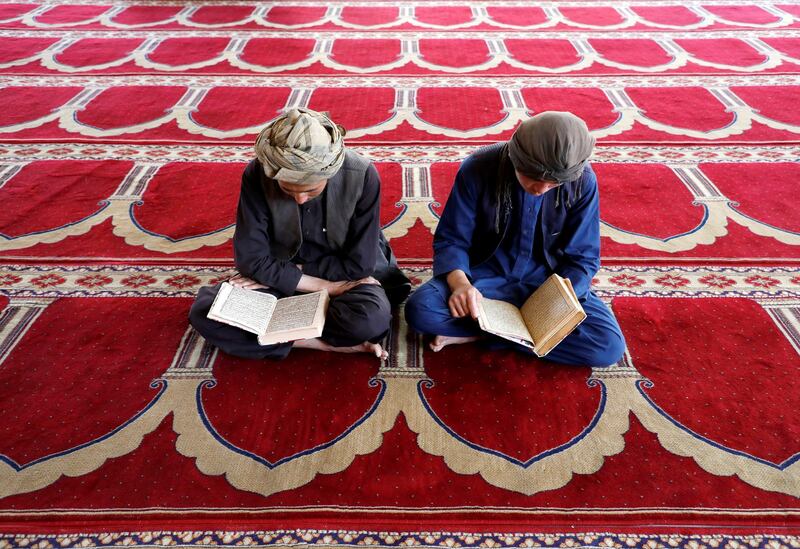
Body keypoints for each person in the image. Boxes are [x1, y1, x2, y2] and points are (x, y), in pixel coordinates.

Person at [404, 111, 625, 368]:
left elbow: (583, 257)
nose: (541, 189)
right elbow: (452, 239)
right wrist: (461, 285)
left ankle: (480, 334)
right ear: (515, 157)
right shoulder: (478, 168)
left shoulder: (583, 181)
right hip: (484, 279)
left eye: (553, 185)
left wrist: (559, 304)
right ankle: (518, 335)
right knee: (420, 312)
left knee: (607, 346)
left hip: (545, 285)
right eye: (533, 178)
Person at [189, 108, 409, 360]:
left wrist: (284, 273)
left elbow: (360, 265)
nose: (301, 199)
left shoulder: (361, 175)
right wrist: (324, 286)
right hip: (292, 280)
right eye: (288, 189)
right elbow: (250, 259)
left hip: (328, 279)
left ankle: (276, 337)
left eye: (312, 190)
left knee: (369, 320)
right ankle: (320, 344)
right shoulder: (258, 174)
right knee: (206, 311)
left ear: (331, 172)